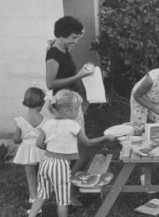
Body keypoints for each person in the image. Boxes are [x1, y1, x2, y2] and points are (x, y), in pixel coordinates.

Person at [28, 89, 115, 217]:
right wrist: (105, 137)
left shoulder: (48, 123)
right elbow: (88, 143)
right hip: (60, 165)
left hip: (46, 163)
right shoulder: (73, 126)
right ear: (67, 110)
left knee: (41, 195)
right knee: (62, 201)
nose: (78, 111)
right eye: (76, 109)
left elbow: (39, 143)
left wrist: (53, 149)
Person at [46, 16, 94, 206]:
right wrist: (79, 75)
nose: (75, 42)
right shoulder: (54, 55)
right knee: (77, 155)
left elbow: (66, 74)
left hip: (71, 105)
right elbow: (51, 83)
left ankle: (68, 190)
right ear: (61, 35)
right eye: (73, 38)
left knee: (81, 154)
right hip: (63, 109)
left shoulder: (63, 48)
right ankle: (67, 193)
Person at [13, 87, 47, 212]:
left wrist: (21, 141)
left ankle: (34, 199)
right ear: (42, 103)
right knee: (42, 175)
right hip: (41, 149)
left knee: (30, 176)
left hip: (27, 151)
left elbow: (16, 139)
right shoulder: (45, 120)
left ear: (26, 101)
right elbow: (45, 137)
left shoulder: (21, 120)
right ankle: (42, 195)